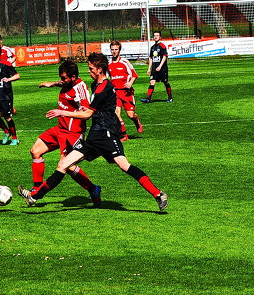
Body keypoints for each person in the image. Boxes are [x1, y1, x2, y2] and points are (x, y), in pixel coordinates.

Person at [20, 52, 167, 211]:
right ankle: (34, 197)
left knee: (124, 165)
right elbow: (93, 109)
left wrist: (63, 112)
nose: (89, 71)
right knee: (63, 164)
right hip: (94, 137)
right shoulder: (96, 85)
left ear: (100, 69)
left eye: (91, 69)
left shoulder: (105, 87)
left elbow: (88, 114)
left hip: (107, 135)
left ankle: (158, 194)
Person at [30, 59, 101, 202]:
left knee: (67, 166)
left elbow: (87, 112)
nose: (61, 80)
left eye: (64, 78)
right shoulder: (68, 82)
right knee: (35, 151)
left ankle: (93, 189)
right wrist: (53, 83)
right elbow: (64, 84)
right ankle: (36, 188)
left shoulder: (80, 88)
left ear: (73, 77)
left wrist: (72, 110)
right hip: (59, 129)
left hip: (73, 133)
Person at [108, 40, 144, 137]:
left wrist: (129, 83)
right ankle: (124, 135)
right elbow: (107, 78)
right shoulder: (109, 64)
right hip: (116, 93)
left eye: (116, 49)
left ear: (119, 50)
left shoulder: (125, 62)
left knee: (130, 115)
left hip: (126, 93)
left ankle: (136, 121)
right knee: (116, 113)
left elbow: (134, 75)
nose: (114, 51)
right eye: (112, 50)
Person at [141, 31, 172, 103]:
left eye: (157, 35)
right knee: (152, 82)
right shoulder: (152, 47)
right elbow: (151, 58)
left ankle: (170, 97)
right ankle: (148, 98)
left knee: (165, 82)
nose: (155, 37)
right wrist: (149, 68)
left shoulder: (162, 46)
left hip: (162, 69)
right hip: (154, 69)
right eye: (154, 35)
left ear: (160, 37)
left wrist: (160, 66)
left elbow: (164, 57)